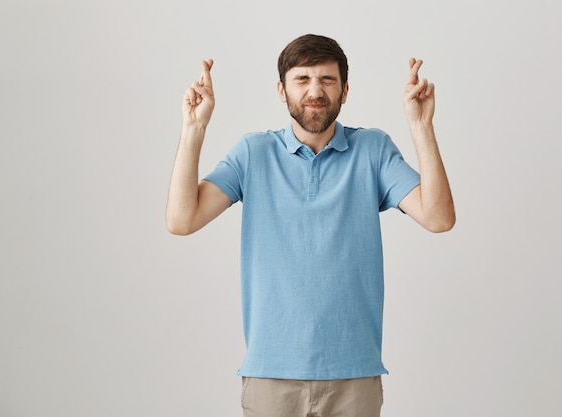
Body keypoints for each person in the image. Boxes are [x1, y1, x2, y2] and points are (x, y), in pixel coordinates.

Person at [166, 34, 455, 417]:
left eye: (327, 80)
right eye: (302, 80)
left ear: (345, 90)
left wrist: (421, 127)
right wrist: (193, 129)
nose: (315, 91)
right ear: (281, 90)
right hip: (271, 374)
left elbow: (438, 218)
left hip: (354, 375)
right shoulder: (253, 153)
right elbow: (182, 220)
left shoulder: (373, 150)